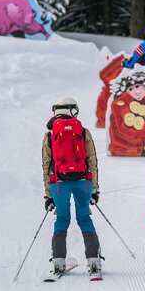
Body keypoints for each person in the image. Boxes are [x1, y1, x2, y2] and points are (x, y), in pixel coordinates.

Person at [42, 97, 102, 274]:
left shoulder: (49, 135)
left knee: (61, 219)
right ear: (72, 110)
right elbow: (92, 160)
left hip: (59, 184)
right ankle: (93, 261)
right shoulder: (83, 132)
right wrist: (95, 189)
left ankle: (59, 262)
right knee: (84, 218)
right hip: (83, 182)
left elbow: (46, 165)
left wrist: (49, 195)